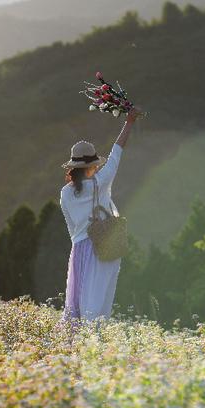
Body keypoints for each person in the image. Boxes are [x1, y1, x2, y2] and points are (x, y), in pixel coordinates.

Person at [57, 107, 141, 335]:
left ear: (73, 167)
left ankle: (76, 341)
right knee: (99, 298)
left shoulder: (65, 192)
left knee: (79, 300)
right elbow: (116, 153)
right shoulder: (100, 182)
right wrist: (129, 122)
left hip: (79, 248)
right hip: (103, 247)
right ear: (92, 165)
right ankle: (93, 340)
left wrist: (80, 240)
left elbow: (71, 226)